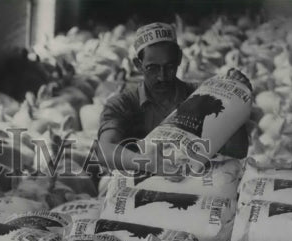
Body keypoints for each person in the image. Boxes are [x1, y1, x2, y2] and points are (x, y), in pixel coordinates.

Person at [97, 22, 250, 173]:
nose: (162, 76)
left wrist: (236, 103)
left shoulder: (204, 95)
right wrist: (146, 163)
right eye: (153, 68)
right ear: (138, 64)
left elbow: (238, 151)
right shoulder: (123, 104)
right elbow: (104, 151)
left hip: (198, 188)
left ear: (179, 59)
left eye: (169, 67)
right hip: (143, 188)